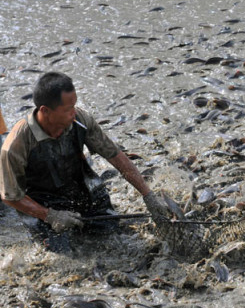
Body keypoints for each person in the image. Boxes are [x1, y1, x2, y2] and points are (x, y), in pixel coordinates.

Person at [0, 72, 170, 251]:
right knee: (63, 251)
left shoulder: (81, 120)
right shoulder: (16, 145)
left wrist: (147, 194)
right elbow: (10, 196)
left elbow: (115, 156)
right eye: (67, 110)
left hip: (81, 189)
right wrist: (50, 216)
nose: (74, 114)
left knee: (112, 235)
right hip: (42, 202)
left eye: (74, 106)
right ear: (45, 111)